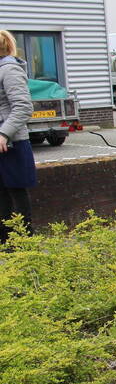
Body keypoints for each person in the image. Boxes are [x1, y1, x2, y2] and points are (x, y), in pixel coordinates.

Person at [0, 29, 37, 243]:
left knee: (15, 191)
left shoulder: (10, 69)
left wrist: (4, 133)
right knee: (2, 192)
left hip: (12, 142)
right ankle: (6, 241)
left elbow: (23, 106)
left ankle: (24, 241)